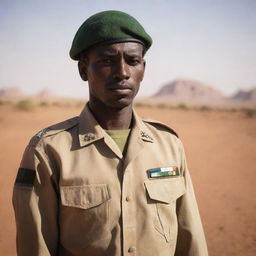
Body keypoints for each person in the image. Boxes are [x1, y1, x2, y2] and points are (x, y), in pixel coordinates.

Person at [12, 10, 208, 256]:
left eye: (133, 61)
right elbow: (36, 247)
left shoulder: (168, 144)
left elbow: (191, 239)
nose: (122, 72)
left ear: (143, 70)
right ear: (83, 70)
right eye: (107, 61)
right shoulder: (48, 150)